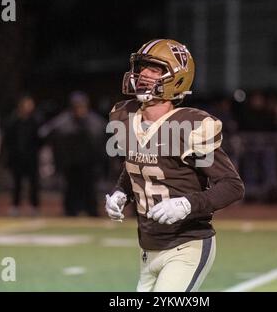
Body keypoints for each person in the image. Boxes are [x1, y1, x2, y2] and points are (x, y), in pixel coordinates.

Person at [105, 39, 245, 292]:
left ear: (176, 79)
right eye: (141, 67)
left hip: (186, 245)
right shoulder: (125, 116)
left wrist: (187, 204)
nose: (143, 74)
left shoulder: (190, 127)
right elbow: (136, 164)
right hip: (148, 247)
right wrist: (121, 192)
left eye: (154, 69)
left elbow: (232, 186)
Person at [39, 91, 105, 217]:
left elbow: (105, 136)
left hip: (89, 163)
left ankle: (91, 211)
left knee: (90, 190)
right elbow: (45, 133)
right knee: (71, 189)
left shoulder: (95, 121)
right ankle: (70, 211)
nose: (80, 109)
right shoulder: (63, 121)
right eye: (77, 106)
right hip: (71, 163)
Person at [4, 95, 42, 216]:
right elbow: (8, 138)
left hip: (31, 157)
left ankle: (34, 206)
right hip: (17, 157)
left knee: (33, 183)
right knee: (17, 183)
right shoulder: (13, 120)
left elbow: (40, 139)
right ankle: (15, 206)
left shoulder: (36, 120)